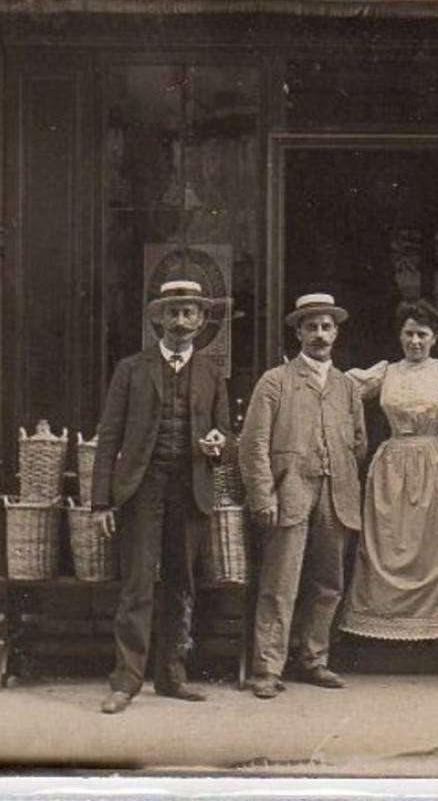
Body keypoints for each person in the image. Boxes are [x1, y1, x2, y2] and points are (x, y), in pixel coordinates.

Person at [89, 279, 231, 715]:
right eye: (172, 312)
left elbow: (225, 434)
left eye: (189, 312)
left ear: (202, 320)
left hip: (190, 489)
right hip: (141, 487)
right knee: (136, 584)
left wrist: (216, 443)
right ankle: (126, 680)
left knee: (181, 585)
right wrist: (100, 503)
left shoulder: (211, 372)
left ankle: (172, 674)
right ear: (157, 319)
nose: (181, 321)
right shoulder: (131, 369)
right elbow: (109, 436)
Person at [238, 292, 368, 699]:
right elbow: (252, 443)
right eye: (311, 326)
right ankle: (267, 667)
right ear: (298, 332)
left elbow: (360, 442)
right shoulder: (275, 381)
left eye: (326, 326)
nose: (319, 334)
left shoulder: (347, 386)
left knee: (329, 582)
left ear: (337, 333)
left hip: (336, 493)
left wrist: (338, 465)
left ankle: (314, 659)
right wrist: (263, 493)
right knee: (281, 582)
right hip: (290, 492)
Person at [342, 299, 438, 641]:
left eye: (422, 334)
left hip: (436, 466)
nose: (415, 341)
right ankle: (383, 627)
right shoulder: (386, 371)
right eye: (409, 334)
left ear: (434, 338)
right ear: (400, 336)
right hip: (392, 468)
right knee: (388, 543)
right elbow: (341, 389)